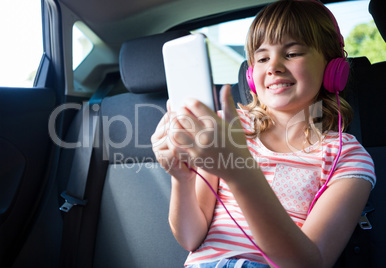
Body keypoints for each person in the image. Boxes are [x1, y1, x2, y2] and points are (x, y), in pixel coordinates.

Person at [151, 0, 376, 267]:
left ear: (332, 68)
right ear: (250, 74)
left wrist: (240, 172)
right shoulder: (227, 130)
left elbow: (309, 263)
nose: (274, 66)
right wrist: (182, 179)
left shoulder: (347, 157)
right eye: (262, 58)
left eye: (292, 53)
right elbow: (190, 238)